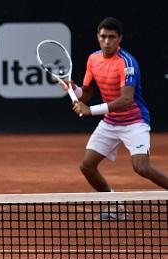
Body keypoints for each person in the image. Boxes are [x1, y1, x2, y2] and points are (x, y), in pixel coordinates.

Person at [67, 17, 168, 219]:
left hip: (134, 122)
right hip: (110, 123)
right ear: (98, 37)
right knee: (87, 166)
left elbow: (126, 100)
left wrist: (90, 110)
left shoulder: (127, 63)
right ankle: (116, 206)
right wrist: (73, 88)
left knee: (141, 167)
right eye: (103, 37)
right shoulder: (93, 60)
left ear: (119, 38)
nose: (107, 42)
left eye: (112, 37)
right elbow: (85, 95)